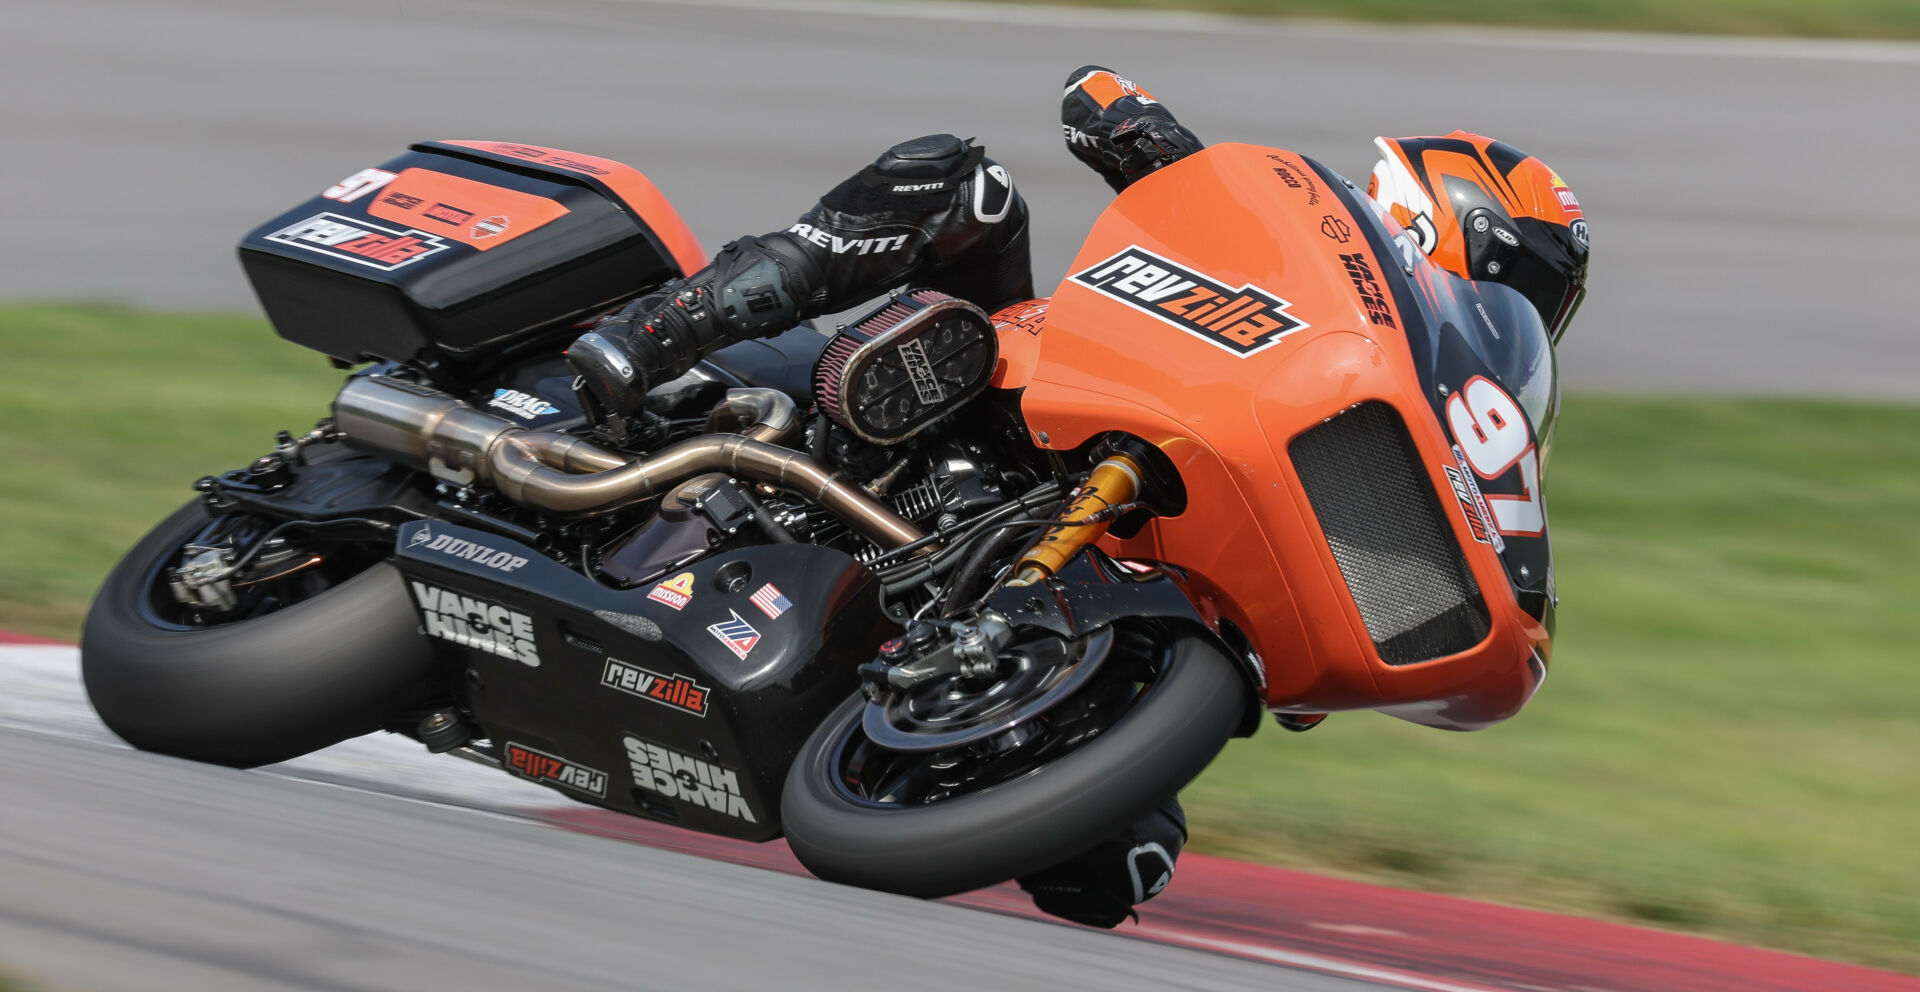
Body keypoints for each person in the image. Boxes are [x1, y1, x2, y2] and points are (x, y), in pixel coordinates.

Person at [564, 66, 1589, 927]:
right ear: (1436, 218)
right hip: (1009, 386)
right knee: (966, 186)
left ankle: (967, 692)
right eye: (1512, 279)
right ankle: (662, 329)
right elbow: (1129, 130)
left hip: (1097, 562)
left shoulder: (1446, 422)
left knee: (1118, 864)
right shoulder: (1300, 246)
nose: (1518, 314)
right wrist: (1144, 136)